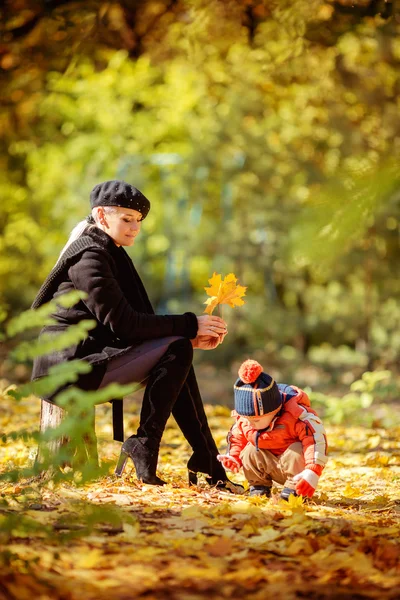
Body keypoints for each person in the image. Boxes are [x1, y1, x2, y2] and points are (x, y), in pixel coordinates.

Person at [31, 179, 240, 491]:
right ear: (101, 216)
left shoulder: (109, 250)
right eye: (126, 219)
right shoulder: (88, 256)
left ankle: (204, 457)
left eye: (139, 221)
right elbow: (124, 324)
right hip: (68, 370)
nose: (134, 228)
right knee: (178, 344)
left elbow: (137, 323)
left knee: (179, 347)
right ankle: (158, 447)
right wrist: (187, 324)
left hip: (91, 358)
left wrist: (189, 335)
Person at [217, 359, 328, 499]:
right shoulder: (245, 421)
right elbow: (237, 438)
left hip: (295, 469)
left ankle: (294, 490)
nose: (250, 424)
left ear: (274, 411)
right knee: (250, 451)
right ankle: (259, 486)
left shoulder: (296, 416)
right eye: (247, 419)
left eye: (256, 420)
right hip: (267, 464)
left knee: (297, 450)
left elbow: (315, 440)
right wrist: (233, 457)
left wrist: (312, 470)